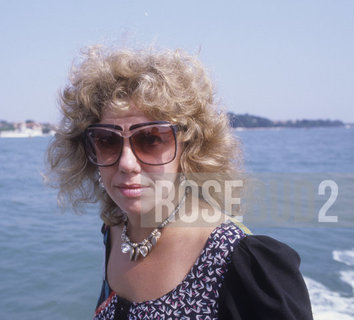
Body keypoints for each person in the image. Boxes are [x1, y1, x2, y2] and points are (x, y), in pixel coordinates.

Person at [47, 46, 313, 319]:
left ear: (189, 146)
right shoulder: (115, 230)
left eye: (150, 138)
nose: (126, 163)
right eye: (106, 140)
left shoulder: (241, 263)